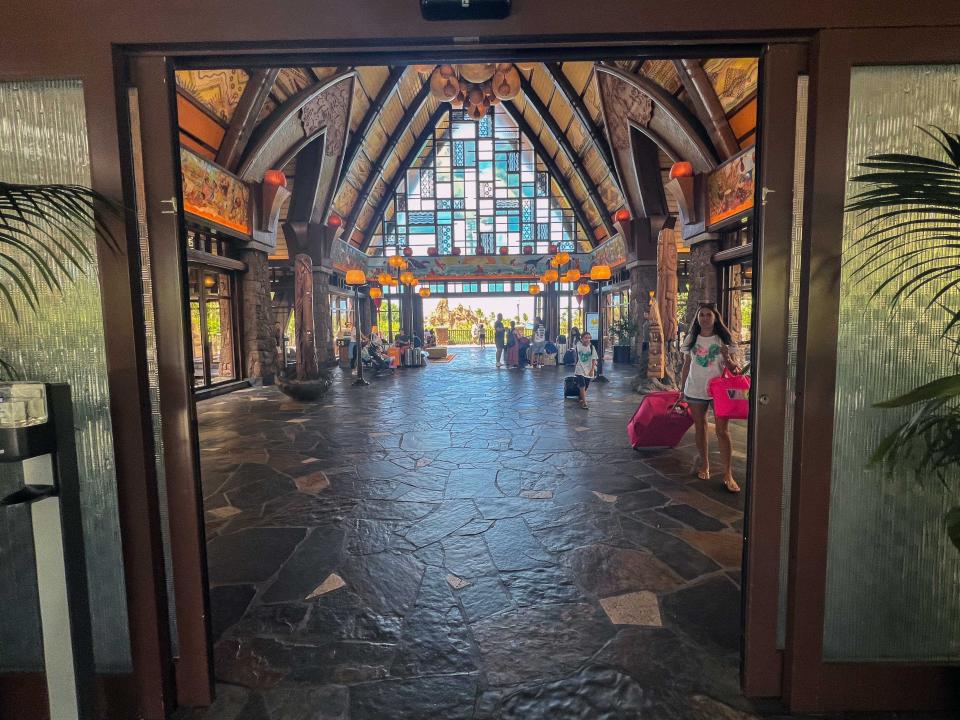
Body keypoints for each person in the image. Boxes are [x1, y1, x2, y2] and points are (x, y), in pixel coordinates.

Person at [679, 303, 742, 494]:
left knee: (722, 431)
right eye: (701, 315)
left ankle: (727, 473)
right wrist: (681, 389)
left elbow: (735, 370)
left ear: (715, 317)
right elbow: (686, 365)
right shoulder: (691, 338)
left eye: (708, 315)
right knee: (700, 426)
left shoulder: (723, 338)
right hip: (695, 389)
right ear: (697, 319)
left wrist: (727, 357)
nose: (705, 318)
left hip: (719, 392)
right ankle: (704, 464)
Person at [574, 331, 598, 409]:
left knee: (586, 386)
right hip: (579, 368)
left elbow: (594, 359)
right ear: (582, 339)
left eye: (589, 338)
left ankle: (581, 397)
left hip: (589, 369)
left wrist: (592, 370)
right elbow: (578, 343)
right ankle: (584, 402)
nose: (587, 339)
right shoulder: (578, 345)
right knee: (582, 385)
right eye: (585, 338)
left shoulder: (592, 347)